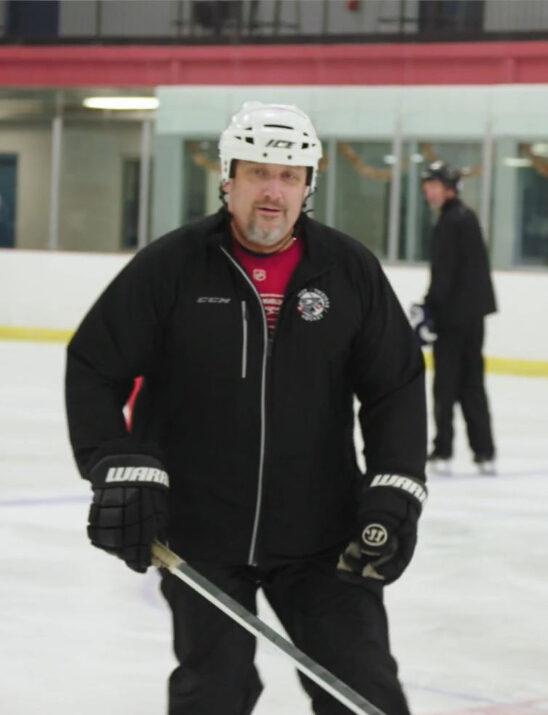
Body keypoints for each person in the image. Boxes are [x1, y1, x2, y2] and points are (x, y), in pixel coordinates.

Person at [65, 101, 427, 715]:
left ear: (309, 186)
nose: (273, 191)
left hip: (323, 537)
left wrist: (395, 491)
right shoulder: (172, 266)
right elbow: (95, 367)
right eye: (259, 172)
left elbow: (395, 387)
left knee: (364, 691)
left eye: (289, 176)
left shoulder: (348, 272)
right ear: (227, 178)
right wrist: (117, 462)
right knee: (215, 692)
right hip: (200, 534)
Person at [419, 160, 497, 476]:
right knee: (472, 384)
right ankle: (484, 452)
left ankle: (443, 450)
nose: (428, 191)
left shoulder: (450, 223)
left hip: (452, 318)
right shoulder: (467, 218)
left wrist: (429, 309)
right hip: (473, 317)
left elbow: (444, 275)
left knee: (446, 386)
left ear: (449, 188)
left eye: (433, 185)